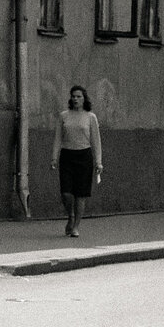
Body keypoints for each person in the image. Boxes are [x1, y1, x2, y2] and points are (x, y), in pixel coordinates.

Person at [51, 84, 103, 238]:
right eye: (73, 96)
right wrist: (54, 157)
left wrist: (98, 162)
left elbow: (96, 140)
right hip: (67, 156)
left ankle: (75, 227)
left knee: (81, 194)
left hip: (84, 156)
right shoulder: (64, 116)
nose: (75, 99)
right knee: (66, 193)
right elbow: (58, 138)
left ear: (84, 98)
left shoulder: (90, 117)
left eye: (79, 96)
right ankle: (70, 215)